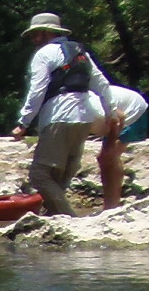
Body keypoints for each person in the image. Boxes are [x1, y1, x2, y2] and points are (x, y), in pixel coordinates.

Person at [10, 12, 114, 215]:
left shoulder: (44, 54)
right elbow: (101, 82)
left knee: (39, 175)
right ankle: (53, 216)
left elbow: (37, 90)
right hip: (84, 118)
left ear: (46, 33)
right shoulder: (80, 52)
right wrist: (109, 111)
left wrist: (23, 122)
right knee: (61, 175)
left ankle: (70, 219)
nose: (33, 40)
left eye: (35, 35)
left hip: (59, 117)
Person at [95, 81, 149, 209]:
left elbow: (120, 116)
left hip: (132, 110)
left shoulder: (92, 100)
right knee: (105, 158)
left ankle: (112, 206)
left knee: (108, 157)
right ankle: (111, 204)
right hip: (116, 112)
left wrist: (110, 143)